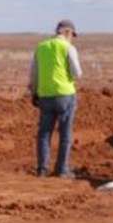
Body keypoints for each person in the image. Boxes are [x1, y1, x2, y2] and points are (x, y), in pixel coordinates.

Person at [28, 19, 82, 177]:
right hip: (65, 95)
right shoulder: (67, 47)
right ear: (67, 32)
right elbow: (77, 72)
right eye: (71, 35)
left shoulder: (41, 47)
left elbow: (34, 74)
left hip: (45, 96)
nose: (71, 38)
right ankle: (62, 169)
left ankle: (42, 169)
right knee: (65, 134)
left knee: (44, 133)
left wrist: (34, 93)